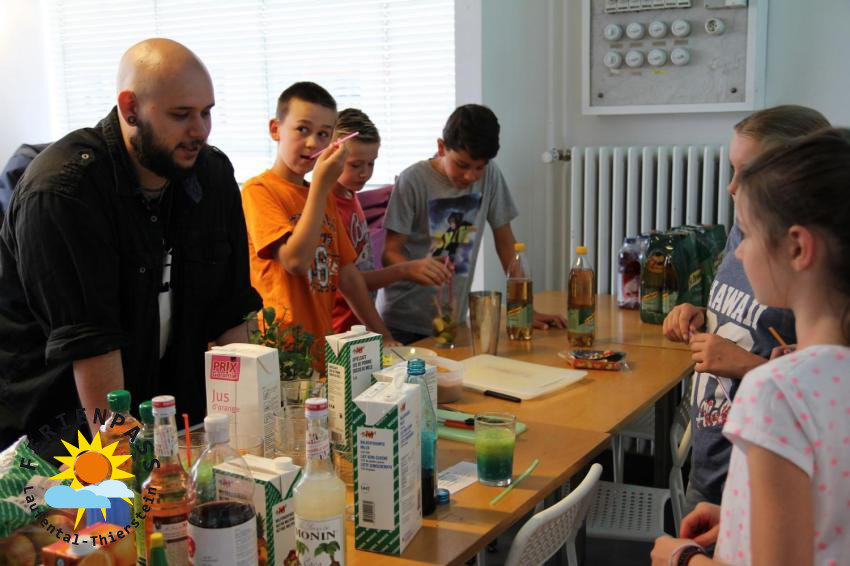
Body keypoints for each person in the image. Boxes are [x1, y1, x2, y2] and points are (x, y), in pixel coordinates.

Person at [0, 39, 262, 457]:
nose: (199, 131)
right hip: (57, 438)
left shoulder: (210, 176)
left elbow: (232, 317)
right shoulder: (64, 192)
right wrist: (125, 469)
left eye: (206, 112)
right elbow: (92, 348)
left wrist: (250, 439)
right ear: (130, 108)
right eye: (181, 115)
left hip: (166, 421)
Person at [653, 127, 850, 565]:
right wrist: (739, 517)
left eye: (749, 234)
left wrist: (681, 559)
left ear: (797, 248)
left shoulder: (775, 390)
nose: (739, 254)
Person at [379, 104, 565, 344]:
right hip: (402, 321)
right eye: (462, 165)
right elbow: (390, 253)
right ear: (441, 147)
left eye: (480, 167)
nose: (471, 176)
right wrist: (413, 268)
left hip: (452, 320)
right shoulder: (413, 180)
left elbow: (506, 244)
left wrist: (524, 308)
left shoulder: (491, 175)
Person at [241, 83, 397, 357]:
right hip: (281, 353)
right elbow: (295, 261)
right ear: (275, 129)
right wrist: (320, 188)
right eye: (303, 129)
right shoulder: (259, 191)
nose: (313, 143)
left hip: (322, 349)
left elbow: (348, 276)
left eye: (323, 134)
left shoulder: (323, 196)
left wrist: (383, 336)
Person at [329, 108, 454, 333]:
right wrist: (405, 269)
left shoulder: (351, 196)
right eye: (355, 165)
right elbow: (351, 283)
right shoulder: (328, 207)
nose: (365, 173)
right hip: (338, 330)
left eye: (371, 163)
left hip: (359, 326)